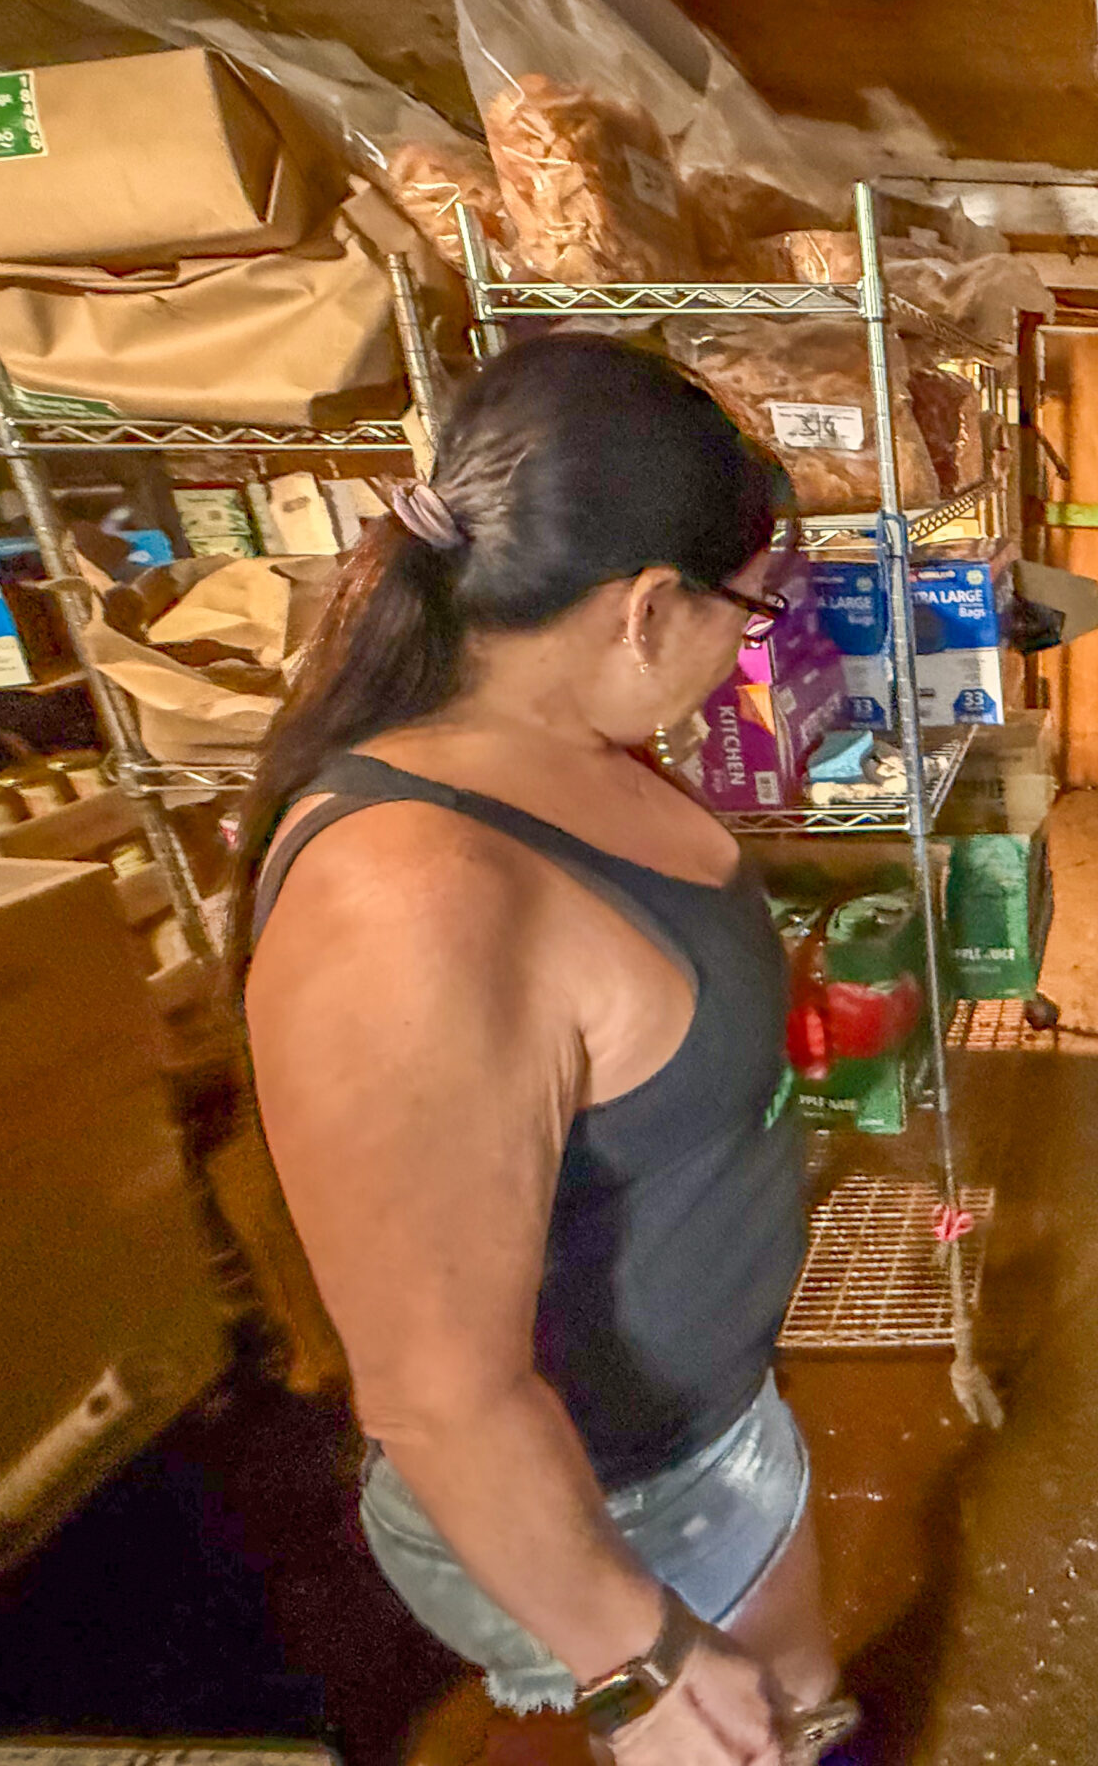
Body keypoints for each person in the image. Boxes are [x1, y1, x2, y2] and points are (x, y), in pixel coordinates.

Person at [234, 335, 837, 1766]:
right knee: (773, 1724)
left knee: (807, 1698)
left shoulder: (567, 749)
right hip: (616, 1498)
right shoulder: (414, 901)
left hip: (705, 1423)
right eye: (744, 617)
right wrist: (637, 1660)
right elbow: (441, 1393)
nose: (746, 654)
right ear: (643, 609)